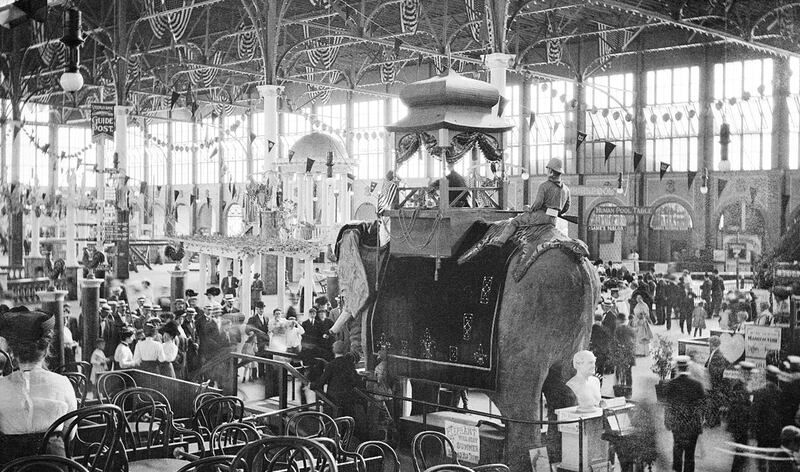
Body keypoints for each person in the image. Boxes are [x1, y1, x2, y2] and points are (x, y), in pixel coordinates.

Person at [0, 308, 78, 463]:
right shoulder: (62, 383)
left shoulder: (1, 387)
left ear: (12, 352)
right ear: (46, 350)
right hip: (55, 465)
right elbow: (70, 432)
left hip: (13, 465)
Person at [491, 157, 570, 246]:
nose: (547, 172)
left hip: (540, 217)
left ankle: (500, 241)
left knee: (514, 222)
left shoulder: (544, 186)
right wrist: (557, 211)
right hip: (553, 220)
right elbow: (566, 207)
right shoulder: (566, 189)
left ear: (551, 172)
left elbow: (538, 204)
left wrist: (530, 209)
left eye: (548, 170)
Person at [663, 355, 705, 472]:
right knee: (690, 454)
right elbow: (703, 405)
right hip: (693, 425)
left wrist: (667, 421)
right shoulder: (697, 385)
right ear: (688, 368)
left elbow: (668, 406)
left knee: (677, 450)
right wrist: (701, 421)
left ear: (677, 368)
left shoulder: (671, 385)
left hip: (678, 425)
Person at [311, 341, 363, 420]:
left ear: (333, 350)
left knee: (333, 420)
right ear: (345, 350)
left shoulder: (331, 365)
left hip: (334, 399)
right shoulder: (349, 364)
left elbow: (322, 382)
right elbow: (355, 379)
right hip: (348, 399)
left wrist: (311, 385)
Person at [752, 365, 785, 471]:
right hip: (776, 428)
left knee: (761, 455)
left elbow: (755, 411)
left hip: (762, 428)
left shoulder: (760, 391)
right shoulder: (780, 392)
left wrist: (753, 429)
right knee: (772, 457)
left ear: (766, 376)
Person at [728, 361, 755, 472]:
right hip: (740, 425)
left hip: (741, 424)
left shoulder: (743, 385)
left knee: (741, 455)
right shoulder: (739, 386)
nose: (750, 376)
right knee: (740, 455)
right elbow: (738, 407)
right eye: (749, 373)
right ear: (744, 373)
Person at [612, 312, 636, 387]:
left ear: (619, 320)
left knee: (618, 370)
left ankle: (618, 386)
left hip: (620, 353)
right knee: (628, 371)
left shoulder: (617, 329)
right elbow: (634, 340)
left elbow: (615, 342)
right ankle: (629, 387)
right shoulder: (630, 329)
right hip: (629, 353)